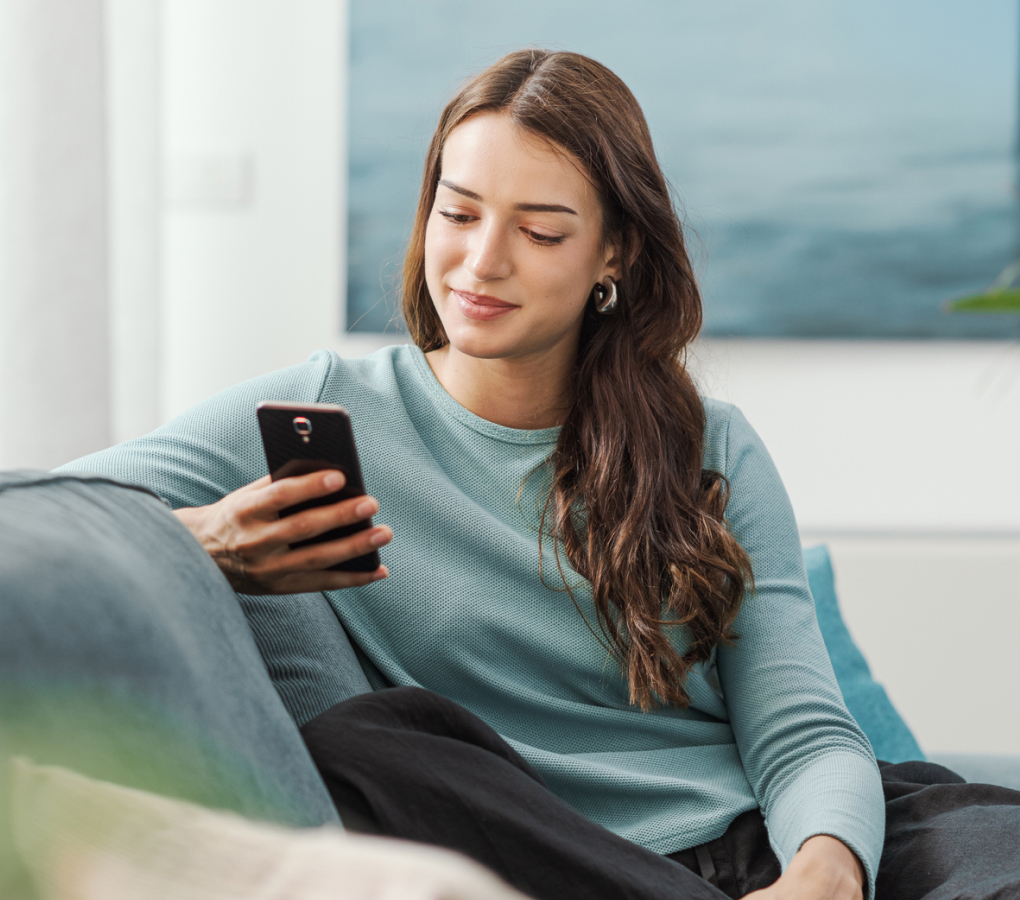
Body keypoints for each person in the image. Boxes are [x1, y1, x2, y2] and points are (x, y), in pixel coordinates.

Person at [59, 49, 1020, 900]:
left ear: (614, 252)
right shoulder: (320, 405)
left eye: (541, 231)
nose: (482, 262)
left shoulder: (709, 444)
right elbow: (41, 513)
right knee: (372, 743)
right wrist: (203, 542)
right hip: (542, 849)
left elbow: (803, 732)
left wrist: (825, 871)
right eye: (458, 211)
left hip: (757, 842)